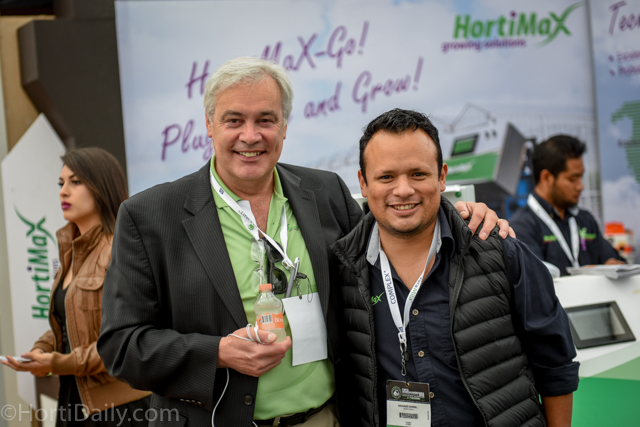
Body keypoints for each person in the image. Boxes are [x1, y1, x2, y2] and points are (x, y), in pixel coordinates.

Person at [96, 57, 512, 427]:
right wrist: (218, 352)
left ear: (284, 126)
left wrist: (458, 215)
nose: (250, 135)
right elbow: (121, 346)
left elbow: (397, 236)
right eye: (234, 120)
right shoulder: (150, 217)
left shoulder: (326, 193)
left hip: (326, 417)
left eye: (266, 120)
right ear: (209, 125)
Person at [331, 109, 579, 427]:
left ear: (442, 176)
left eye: (418, 174)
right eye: (386, 177)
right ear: (364, 183)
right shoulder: (343, 269)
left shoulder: (500, 251)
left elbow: (556, 364)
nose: (403, 190)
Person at [2, 148, 151, 426]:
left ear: (101, 187)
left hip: (119, 407)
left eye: (75, 182)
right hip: (73, 398)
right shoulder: (71, 254)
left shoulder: (118, 250)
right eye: (61, 183)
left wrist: (56, 363)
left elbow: (120, 343)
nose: (63, 191)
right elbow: (73, 322)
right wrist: (41, 350)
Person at [510, 135, 625, 276]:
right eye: (572, 179)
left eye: (581, 177)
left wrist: (615, 267)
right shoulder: (521, 227)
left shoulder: (585, 220)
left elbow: (615, 262)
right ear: (546, 178)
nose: (580, 186)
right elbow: (536, 281)